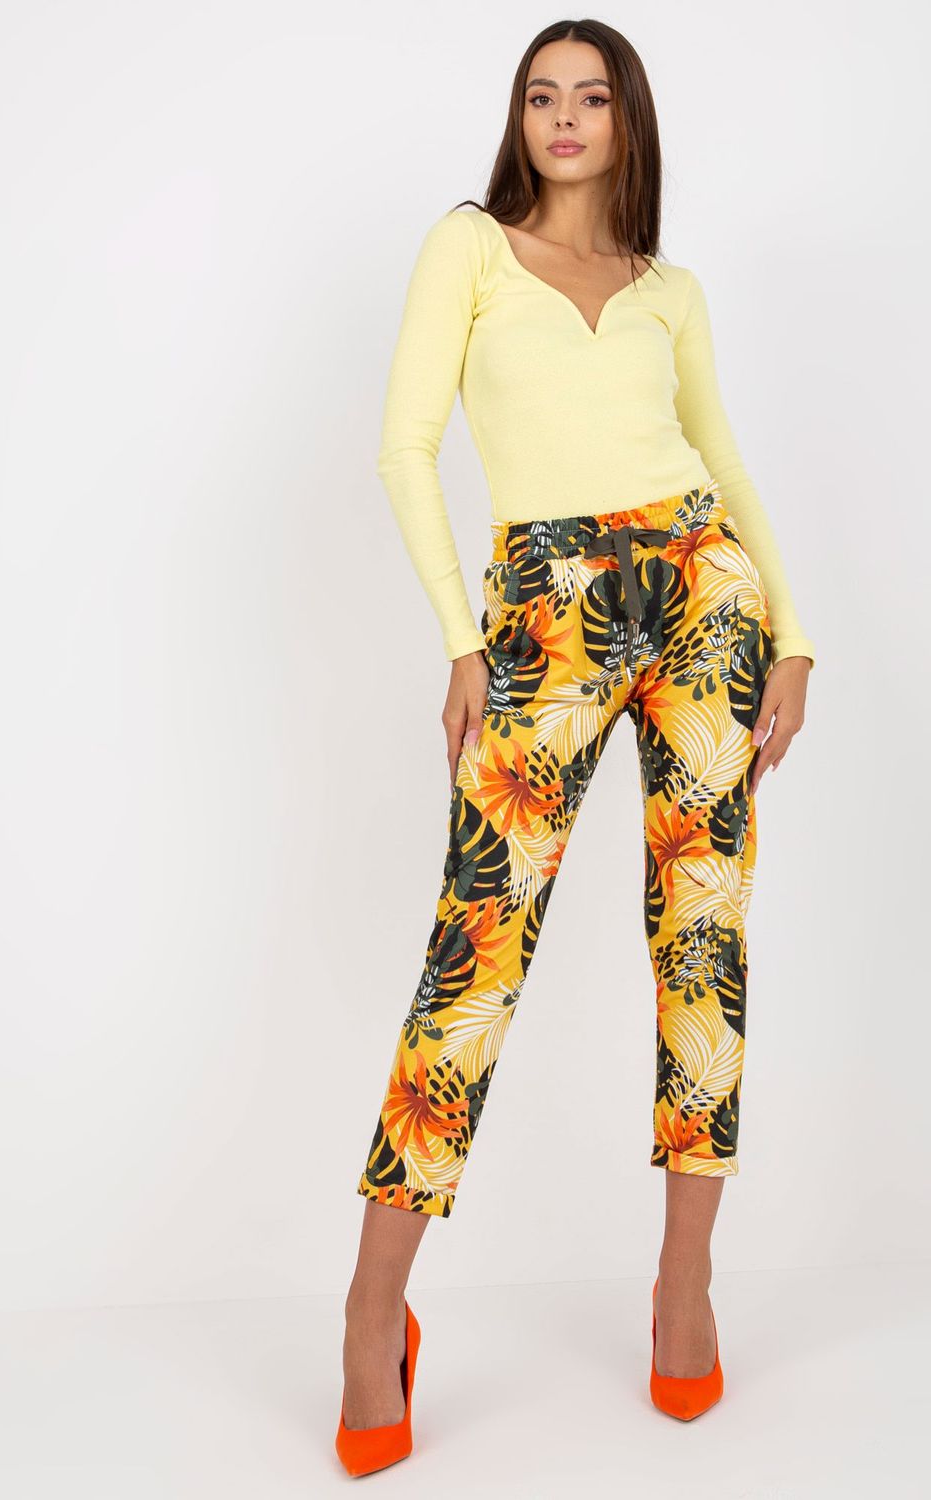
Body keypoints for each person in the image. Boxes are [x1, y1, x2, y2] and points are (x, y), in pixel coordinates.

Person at [336, 18, 814, 1476]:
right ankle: (373, 1307)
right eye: (540, 96)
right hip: (542, 609)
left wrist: (792, 633)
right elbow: (405, 446)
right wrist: (461, 639)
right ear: (519, 119)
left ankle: (684, 1286)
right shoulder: (470, 248)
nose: (562, 118)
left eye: (589, 97)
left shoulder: (670, 290)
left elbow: (722, 460)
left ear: (625, 120)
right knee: (476, 947)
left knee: (703, 939)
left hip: (707, 596)